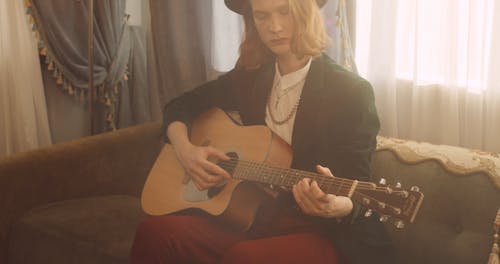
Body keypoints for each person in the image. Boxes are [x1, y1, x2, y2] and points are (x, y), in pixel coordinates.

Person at [131, 0, 396, 263]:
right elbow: (180, 106)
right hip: (252, 217)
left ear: (306, 13)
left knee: (244, 257)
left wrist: (336, 206)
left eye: (285, 12)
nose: (275, 27)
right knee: (155, 233)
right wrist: (186, 151)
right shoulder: (250, 75)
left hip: (316, 230)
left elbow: (358, 185)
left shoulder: (350, 91)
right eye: (262, 16)